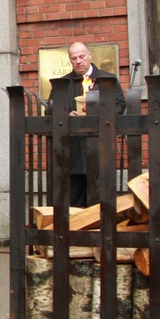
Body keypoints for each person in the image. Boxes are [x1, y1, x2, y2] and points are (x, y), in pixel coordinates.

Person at [49, 41, 126, 207]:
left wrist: (99, 115)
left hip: (100, 149)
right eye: (74, 58)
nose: (79, 61)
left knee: (100, 202)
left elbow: (120, 105)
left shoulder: (108, 80)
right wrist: (66, 115)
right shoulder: (62, 85)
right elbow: (51, 109)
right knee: (74, 203)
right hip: (73, 153)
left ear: (90, 55)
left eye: (82, 57)